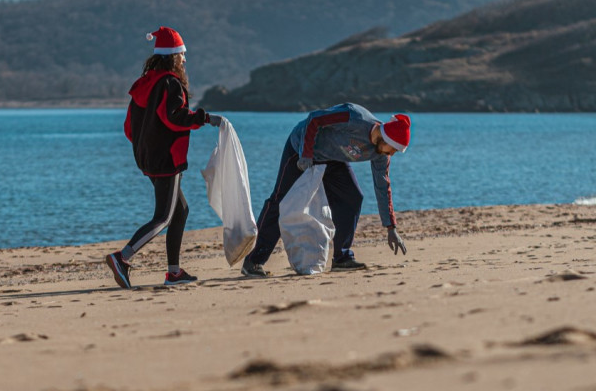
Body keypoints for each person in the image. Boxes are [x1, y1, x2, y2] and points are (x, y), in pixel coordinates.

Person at [105, 26, 222, 289]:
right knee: (164, 217)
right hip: (166, 158)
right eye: (182, 53)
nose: (184, 58)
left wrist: (147, 145)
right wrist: (204, 118)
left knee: (180, 211)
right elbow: (174, 117)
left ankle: (174, 272)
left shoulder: (144, 83)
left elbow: (128, 128)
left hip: (148, 158)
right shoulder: (171, 83)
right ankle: (122, 258)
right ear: (172, 55)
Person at [240, 103, 410, 277]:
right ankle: (253, 261)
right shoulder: (353, 117)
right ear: (385, 139)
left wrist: (391, 227)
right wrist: (306, 153)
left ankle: (341, 258)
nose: (392, 154)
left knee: (352, 198)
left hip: (333, 159)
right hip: (301, 148)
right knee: (280, 201)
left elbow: (383, 186)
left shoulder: (382, 155)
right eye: (394, 149)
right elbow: (315, 119)